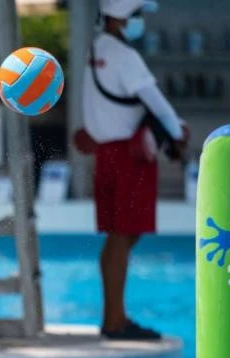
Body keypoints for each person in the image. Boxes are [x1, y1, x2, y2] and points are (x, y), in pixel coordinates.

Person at [77, 0, 189, 340]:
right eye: (137, 15)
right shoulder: (125, 56)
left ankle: (114, 315)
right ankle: (114, 321)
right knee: (123, 235)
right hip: (129, 157)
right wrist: (178, 132)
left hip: (107, 154)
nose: (140, 22)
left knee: (118, 235)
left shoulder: (96, 49)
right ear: (122, 18)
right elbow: (156, 102)